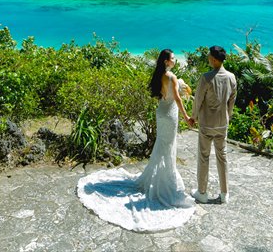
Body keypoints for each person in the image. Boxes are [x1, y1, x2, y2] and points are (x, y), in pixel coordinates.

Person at [76, 49, 196, 231]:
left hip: (161, 112)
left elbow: (165, 94)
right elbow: (177, 99)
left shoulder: (159, 75)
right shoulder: (171, 76)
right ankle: (166, 184)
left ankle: (156, 179)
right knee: (168, 147)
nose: (174, 61)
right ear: (166, 61)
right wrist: (187, 117)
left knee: (161, 145)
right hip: (171, 114)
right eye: (172, 58)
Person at [190, 45, 237, 205]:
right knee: (222, 157)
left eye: (210, 56)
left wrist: (193, 117)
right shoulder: (231, 77)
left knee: (204, 157)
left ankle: (202, 192)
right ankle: (225, 193)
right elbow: (232, 102)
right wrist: (227, 117)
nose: (208, 58)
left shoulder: (206, 77)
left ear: (215, 60)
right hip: (222, 123)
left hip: (207, 124)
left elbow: (198, 100)